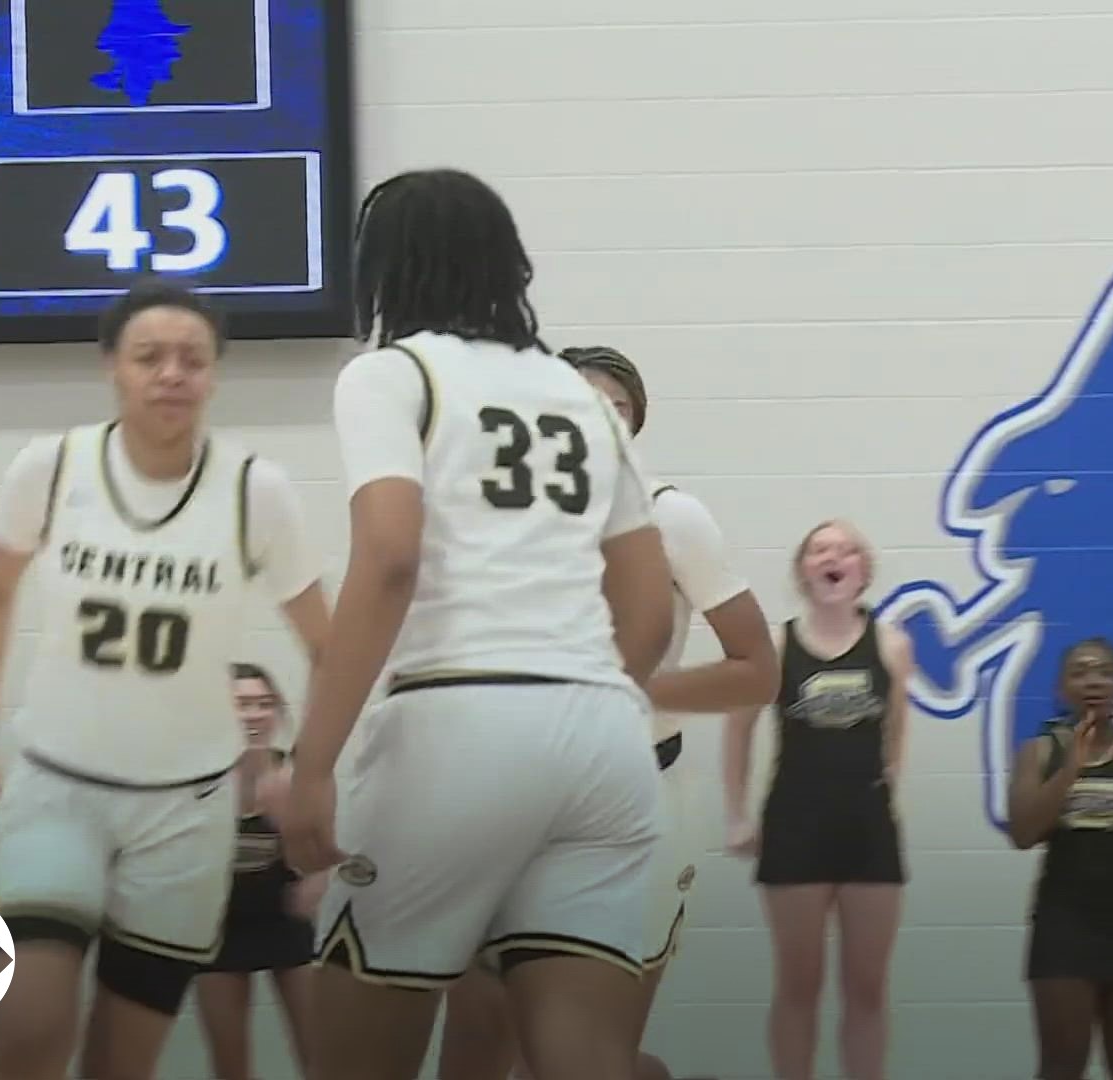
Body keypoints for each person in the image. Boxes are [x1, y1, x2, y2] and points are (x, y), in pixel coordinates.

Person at [278, 168, 679, 1080]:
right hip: (605, 737)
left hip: (455, 723)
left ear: (386, 267)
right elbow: (650, 616)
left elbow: (386, 559)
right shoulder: (585, 397)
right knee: (583, 1057)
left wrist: (312, 764)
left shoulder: (391, 373)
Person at [0, 280, 331, 1080]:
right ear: (111, 368)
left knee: (123, 1061)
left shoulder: (257, 490)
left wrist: (320, 774)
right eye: (149, 356)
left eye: (192, 358)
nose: (172, 373)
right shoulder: (52, 467)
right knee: (32, 1028)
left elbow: (328, 646)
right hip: (58, 787)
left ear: (216, 374)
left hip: (186, 810)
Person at [435, 345, 782, 1080]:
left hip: (636, 794)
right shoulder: (504, 518)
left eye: (616, 405)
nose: (598, 415)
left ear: (635, 424)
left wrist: (628, 691)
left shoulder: (671, 517)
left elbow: (757, 670)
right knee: (476, 1034)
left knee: (592, 1052)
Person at [722, 520, 914, 1080]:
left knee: (868, 989)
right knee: (798, 985)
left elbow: (897, 733)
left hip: (867, 832)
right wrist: (736, 814)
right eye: (820, 549)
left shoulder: (893, 644)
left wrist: (886, 791)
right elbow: (738, 731)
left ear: (863, 569)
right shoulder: (777, 646)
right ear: (803, 570)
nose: (833, 557)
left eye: (847, 549)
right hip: (794, 828)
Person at [194, 662, 324, 1080]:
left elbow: (320, 864)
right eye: (242, 704)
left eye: (264, 703)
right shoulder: (197, 781)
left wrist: (294, 832)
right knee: (230, 1064)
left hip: (284, 920)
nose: (254, 714)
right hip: (219, 928)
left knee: (320, 1056)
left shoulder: (296, 775)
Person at [1005, 637, 1113, 1080]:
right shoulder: (1040, 753)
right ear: (1060, 690)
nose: (1093, 681)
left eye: (1104, 671)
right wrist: (1072, 766)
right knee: (1061, 1065)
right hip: (1065, 926)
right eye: (1079, 672)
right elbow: (1023, 833)